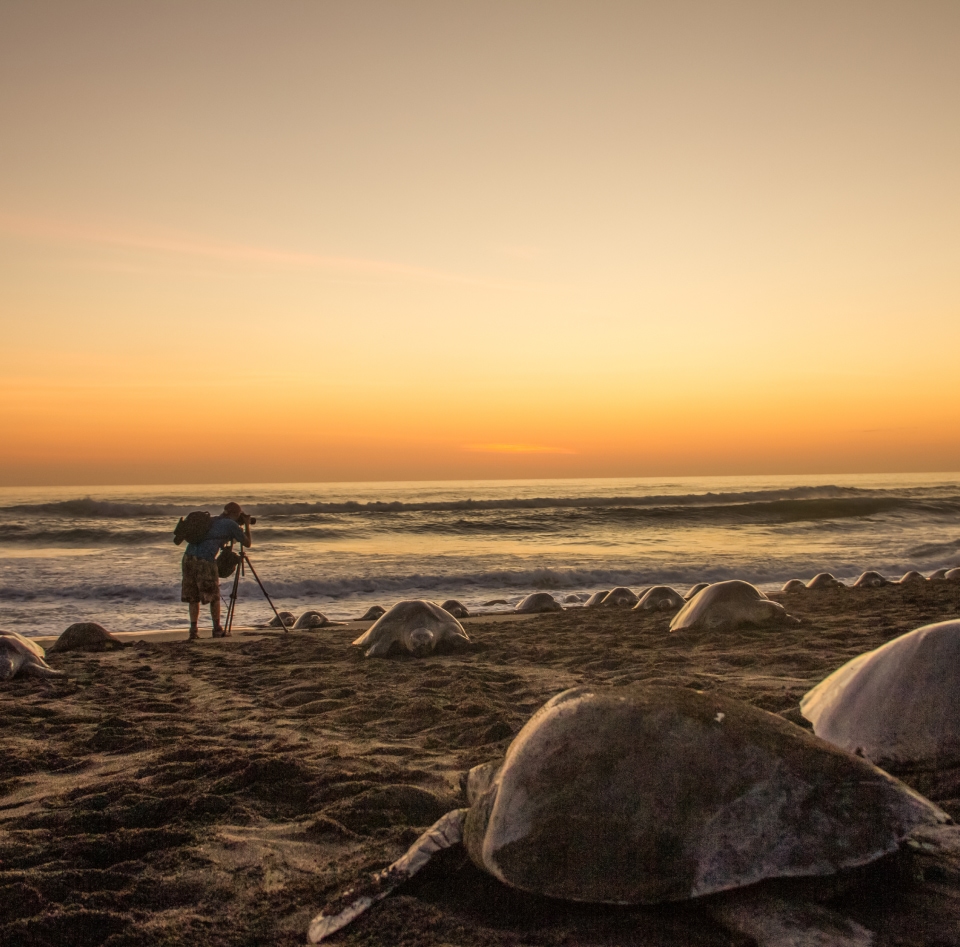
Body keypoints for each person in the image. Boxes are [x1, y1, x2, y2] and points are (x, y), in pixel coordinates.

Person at [181, 501, 252, 639]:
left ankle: (193, 631)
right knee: (213, 596)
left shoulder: (212, 520)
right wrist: (247, 524)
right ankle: (217, 630)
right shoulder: (231, 524)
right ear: (235, 514)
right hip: (205, 560)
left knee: (193, 597)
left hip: (188, 559)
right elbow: (247, 543)